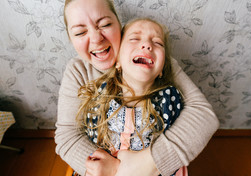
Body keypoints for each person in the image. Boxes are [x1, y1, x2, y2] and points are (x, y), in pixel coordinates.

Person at [55, 0, 219, 176]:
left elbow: (204, 116)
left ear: (119, 24)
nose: (96, 38)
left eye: (105, 24)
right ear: (71, 40)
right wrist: (105, 169)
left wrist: (149, 162)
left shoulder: (155, 61)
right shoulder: (78, 71)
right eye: (80, 32)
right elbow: (67, 136)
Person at [77, 18, 188, 176]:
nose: (147, 45)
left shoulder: (169, 99)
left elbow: (173, 148)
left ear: (162, 69)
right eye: (135, 38)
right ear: (118, 61)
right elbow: (93, 143)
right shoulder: (101, 96)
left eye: (158, 42)